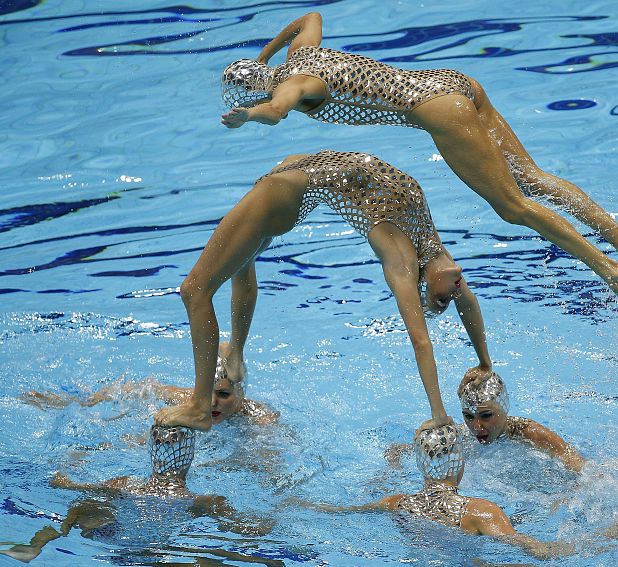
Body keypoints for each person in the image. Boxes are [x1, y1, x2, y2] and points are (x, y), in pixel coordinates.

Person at [220, 12, 618, 320]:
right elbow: (308, 17)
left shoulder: (294, 84)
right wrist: (265, 54)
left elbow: (277, 110)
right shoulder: (299, 55)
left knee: (513, 207)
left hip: (442, 111)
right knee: (532, 179)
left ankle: (609, 269)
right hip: (451, 81)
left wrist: (250, 116)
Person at [155, 151, 492, 431]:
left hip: (280, 194)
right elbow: (468, 303)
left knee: (194, 291)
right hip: (287, 182)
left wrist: (438, 413)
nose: (457, 284)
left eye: (445, 296)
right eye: (447, 297)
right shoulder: (432, 246)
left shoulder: (402, 261)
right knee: (242, 265)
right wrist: (483, 361)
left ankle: (200, 407)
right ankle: (236, 354)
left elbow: (420, 340)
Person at [300, 423, 618, 560]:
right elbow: (541, 551)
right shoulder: (480, 511)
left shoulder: (396, 502)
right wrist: (609, 537)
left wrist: (299, 503)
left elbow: (337, 512)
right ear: (460, 465)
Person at [0, 425, 273, 563]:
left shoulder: (125, 484)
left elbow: (63, 484)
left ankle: (41, 542)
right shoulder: (201, 500)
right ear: (189, 454)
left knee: (87, 503)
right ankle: (38, 545)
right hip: (159, 554)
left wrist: (71, 462)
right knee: (91, 502)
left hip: (119, 542)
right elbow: (243, 528)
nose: (166, 445)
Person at [20, 345, 279, 427]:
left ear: (242, 393)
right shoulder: (190, 399)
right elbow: (138, 389)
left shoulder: (259, 418)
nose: (211, 403)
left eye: (223, 394)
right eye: (205, 391)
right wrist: (78, 403)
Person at [386, 370, 585, 473]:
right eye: (469, 416)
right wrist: (393, 471)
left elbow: (578, 464)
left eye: (486, 416)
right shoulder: (460, 436)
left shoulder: (528, 433)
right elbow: (396, 449)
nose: (476, 427)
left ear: (504, 408)